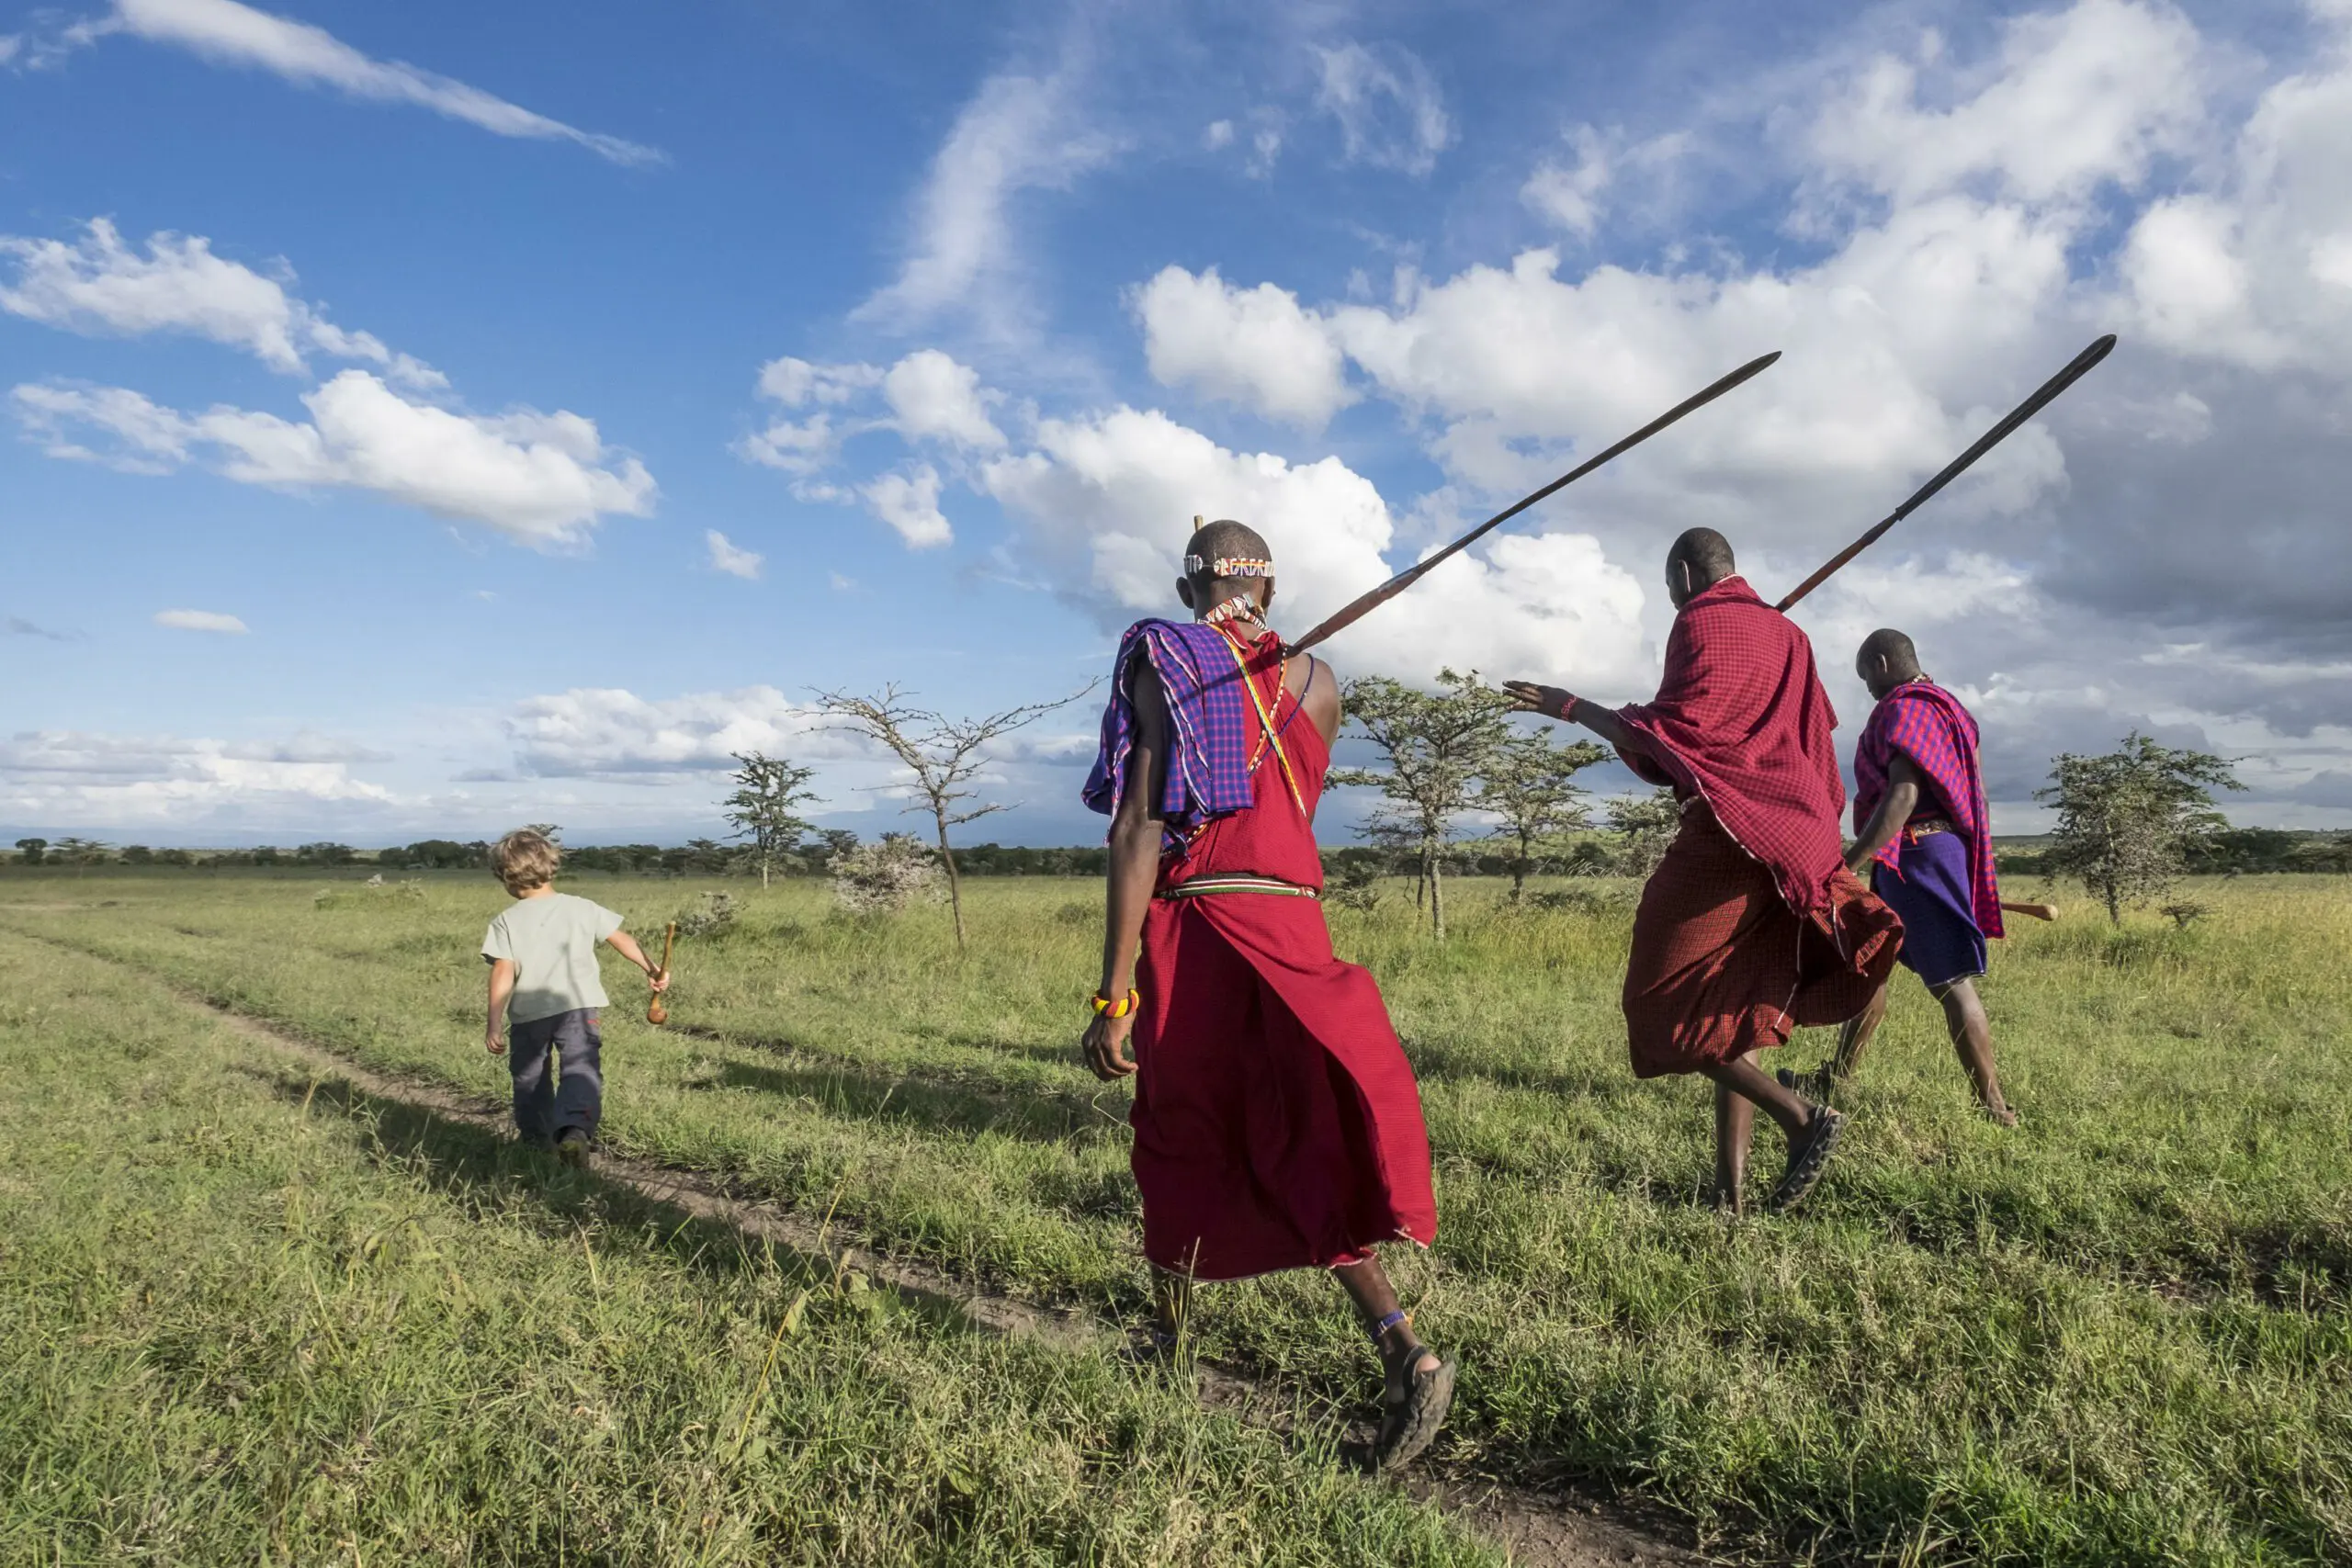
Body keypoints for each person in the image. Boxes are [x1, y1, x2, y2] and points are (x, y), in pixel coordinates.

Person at [1079, 518, 1453, 1471]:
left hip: (1202, 924)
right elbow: (1290, 815)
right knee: (1294, 1136)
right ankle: (1402, 1346)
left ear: (1183, 585)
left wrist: (1112, 993)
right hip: (1293, 921)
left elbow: (1138, 825)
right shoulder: (1320, 683)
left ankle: (1165, 1341)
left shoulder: (1167, 657)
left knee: (1174, 1128)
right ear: (1271, 590)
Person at [1505, 527, 1902, 1213]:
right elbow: (1811, 740)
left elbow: (1672, 732)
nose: (1670, 601)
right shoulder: (1789, 635)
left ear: (1686, 577)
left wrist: (1571, 706)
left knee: (1656, 1004)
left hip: (1731, 831)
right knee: (1731, 1008)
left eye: (1667, 589)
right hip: (1798, 830)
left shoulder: (1700, 622)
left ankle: (1802, 1117)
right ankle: (1730, 1194)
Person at [1779, 629, 2018, 1124]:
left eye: (1866, 675)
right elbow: (1981, 796)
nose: (1867, 687)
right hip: (1935, 849)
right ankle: (1838, 1076)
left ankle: (1995, 1107)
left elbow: (1903, 796)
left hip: (1915, 853)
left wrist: (1850, 861)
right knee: (1874, 964)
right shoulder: (1951, 708)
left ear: (1883, 662)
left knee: (1951, 982)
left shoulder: (1904, 707)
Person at [481, 828, 668, 1162]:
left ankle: (536, 1141)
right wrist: (651, 968)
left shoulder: (505, 921)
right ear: (552, 866)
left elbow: (502, 973)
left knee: (529, 1076)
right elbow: (621, 938)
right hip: (579, 1007)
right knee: (581, 1067)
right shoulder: (582, 907)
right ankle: (574, 1131)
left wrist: (493, 1023)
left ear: (505, 877)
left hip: (529, 1012)